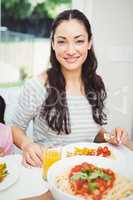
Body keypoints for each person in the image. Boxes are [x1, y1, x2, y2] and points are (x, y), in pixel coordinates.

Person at [11, 9, 128, 167]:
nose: (70, 50)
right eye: (62, 41)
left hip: (88, 172)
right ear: (53, 44)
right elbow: (16, 128)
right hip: (47, 173)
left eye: (79, 41)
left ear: (89, 43)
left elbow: (91, 133)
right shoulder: (36, 86)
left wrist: (109, 137)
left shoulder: (97, 85)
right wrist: (27, 145)